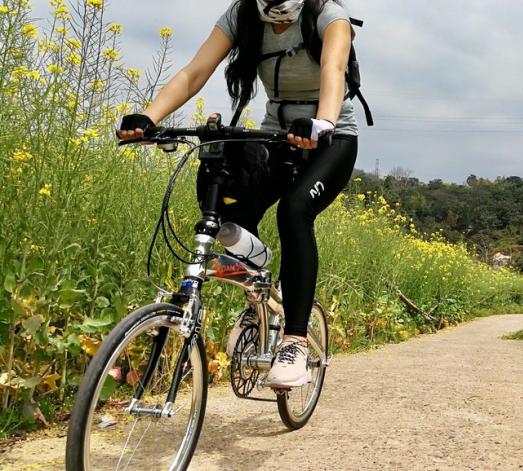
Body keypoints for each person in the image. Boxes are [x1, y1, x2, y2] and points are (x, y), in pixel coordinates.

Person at [116, 0, 359, 388]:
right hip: (277, 135)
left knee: (294, 210)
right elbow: (195, 72)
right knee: (227, 209)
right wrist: (150, 117)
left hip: (331, 139)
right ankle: (260, 289)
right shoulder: (243, 15)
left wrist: (323, 121)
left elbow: (333, 70)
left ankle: (294, 340)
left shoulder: (328, 15)